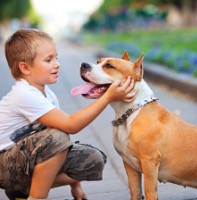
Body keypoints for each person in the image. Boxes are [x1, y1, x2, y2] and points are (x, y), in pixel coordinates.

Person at [0, 29, 136, 200]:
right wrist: (108, 97)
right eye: (48, 60)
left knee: (94, 160)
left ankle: (21, 191)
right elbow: (70, 125)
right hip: (4, 166)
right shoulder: (24, 94)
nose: (57, 64)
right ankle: (36, 196)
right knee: (58, 136)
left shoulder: (47, 93)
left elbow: (61, 142)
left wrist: (76, 186)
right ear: (25, 68)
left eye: (56, 57)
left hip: (25, 161)